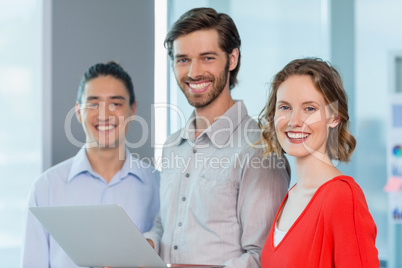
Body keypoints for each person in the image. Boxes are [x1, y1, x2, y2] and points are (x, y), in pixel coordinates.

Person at [144, 7, 290, 267]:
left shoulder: (259, 148)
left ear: (232, 59)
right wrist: (149, 244)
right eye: (182, 60)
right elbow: (166, 224)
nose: (193, 72)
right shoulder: (172, 146)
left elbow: (264, 256)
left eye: (207, 58)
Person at [21, 62, 160, 268]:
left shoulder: (159, 185)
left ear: (132, 110)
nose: (104, 115)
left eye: (115, 103)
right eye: (93, 104)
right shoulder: (46, 188)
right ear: (78, 111)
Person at [259, 58, 379, 267]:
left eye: (309, 108)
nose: (294, 121)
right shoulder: (292, 195)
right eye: (285, 107)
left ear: (334, 117)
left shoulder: (342, 196)